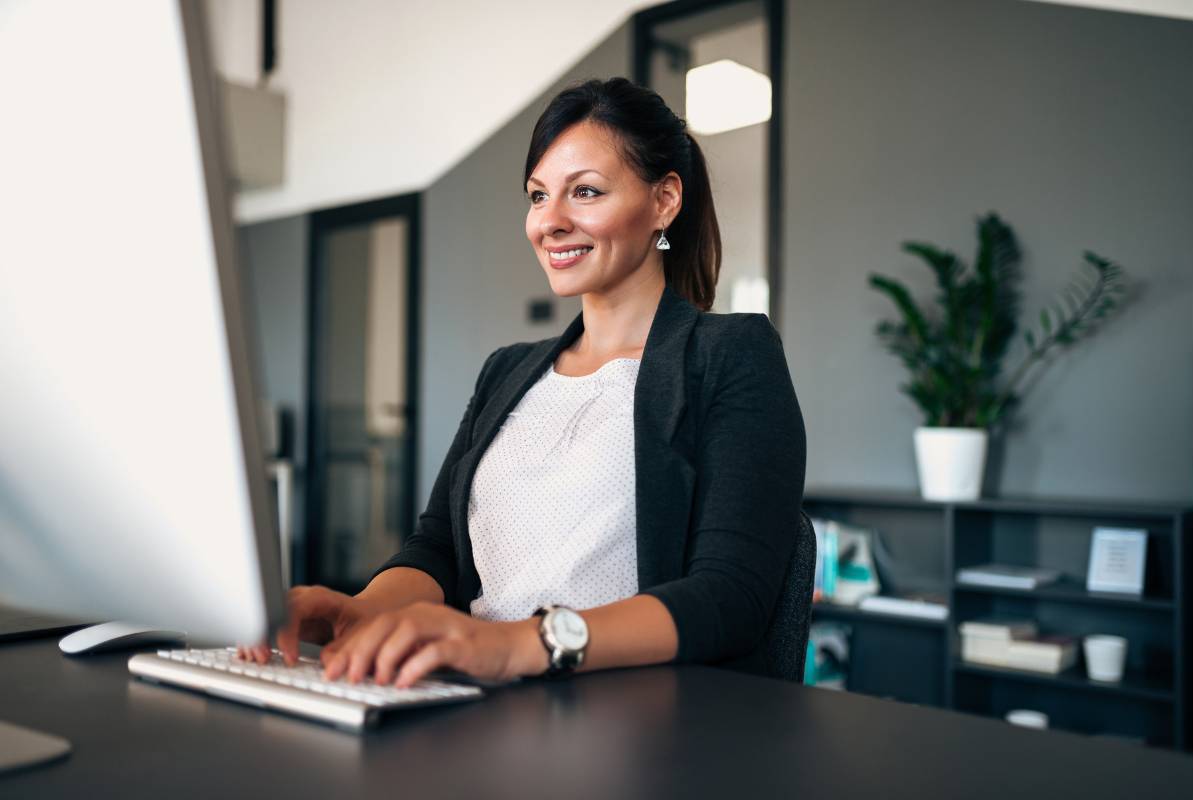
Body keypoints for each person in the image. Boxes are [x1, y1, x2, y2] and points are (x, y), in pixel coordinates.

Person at [242, 77, 805, 687]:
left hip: (631, 717)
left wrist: (520, 644)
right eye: (538, 196)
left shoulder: (731, 354)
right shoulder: (507, 371)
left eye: (584, 192)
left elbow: (729, 598)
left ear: (665, 200)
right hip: (475, 697)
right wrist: (362, 610)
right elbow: (439, 549)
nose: (550, 222)